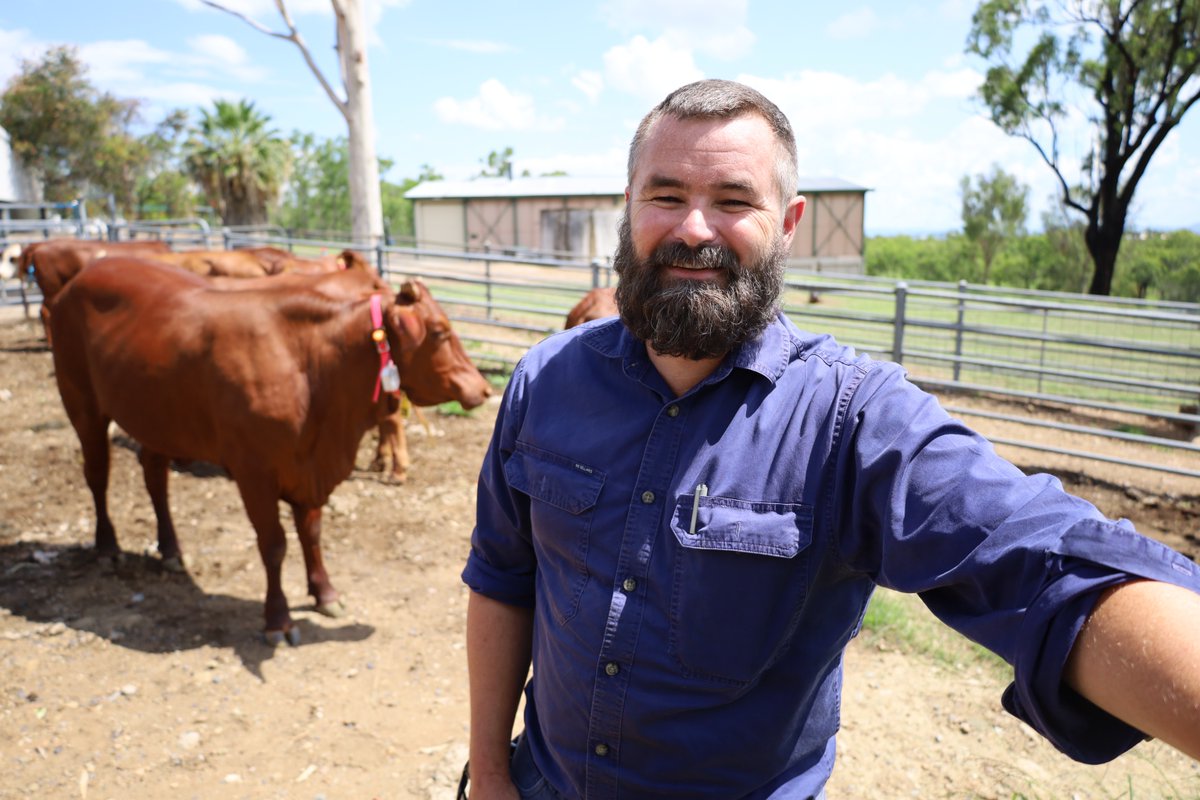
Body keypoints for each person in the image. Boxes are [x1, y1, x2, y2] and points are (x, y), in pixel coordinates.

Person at [460, 78, 1200, 799]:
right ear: (628, 208)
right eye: (665, 195)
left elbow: (1043, 562)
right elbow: (501, 578)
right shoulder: (544, 382)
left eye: (733, 200)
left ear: (787, 222)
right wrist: (491, 774)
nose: (692, 227)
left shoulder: (852, 421)